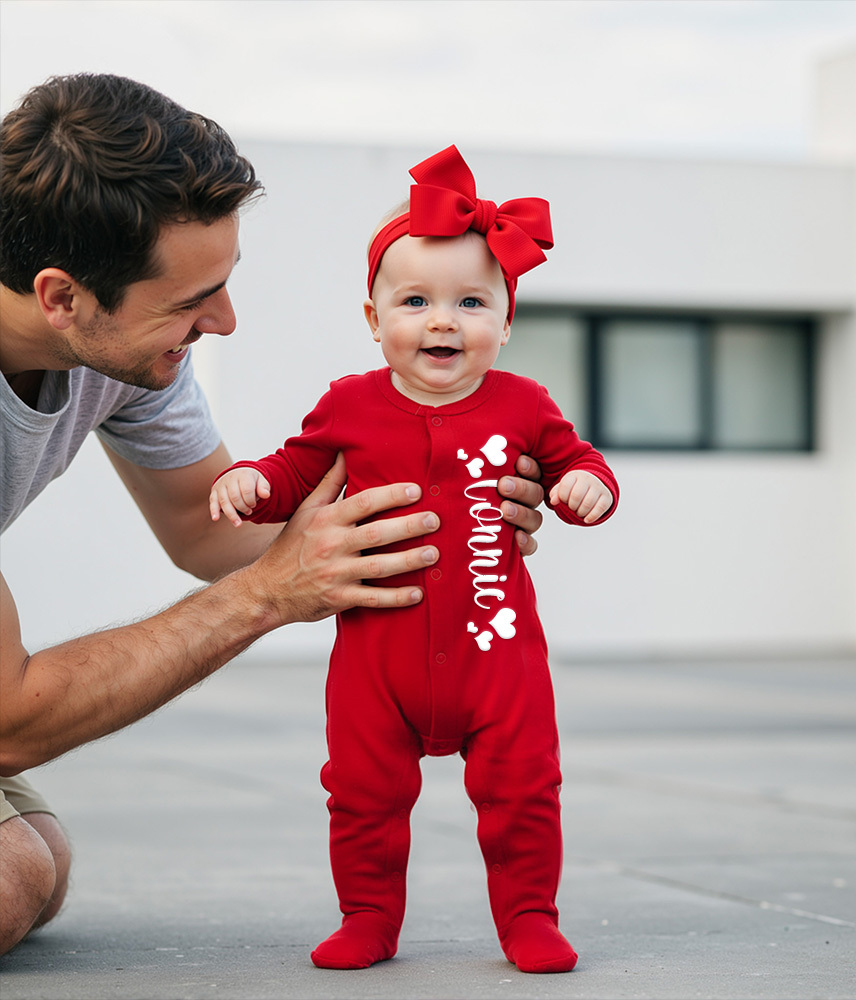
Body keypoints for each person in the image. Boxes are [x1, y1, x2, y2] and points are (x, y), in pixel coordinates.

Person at [0, 76, 546, 957]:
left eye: (223, 283)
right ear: (63, 296)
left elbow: (212, 531)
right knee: (10, 882)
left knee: (39, 861)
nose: (225, 320)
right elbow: (11, 719)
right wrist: (268, 595)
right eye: (189, 302)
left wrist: (441, 520)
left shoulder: (127, 354)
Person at [210, 145, 619, 974]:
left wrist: (587, 488)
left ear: (504, 321)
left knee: (523, 790)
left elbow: (577, 460)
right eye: (416, 301)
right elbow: (298, 467)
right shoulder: (350, 403)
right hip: (378, 650)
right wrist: (255, 480)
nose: (443, 320)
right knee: (361, 793)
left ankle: (529, 917)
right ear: (373, 319)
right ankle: (367, 917)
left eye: (472, 301)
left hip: (496, 650)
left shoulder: (525, 403)